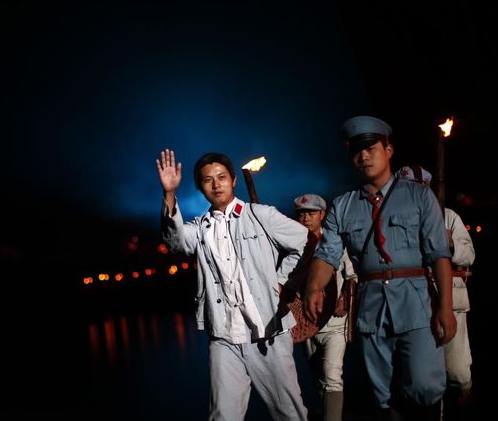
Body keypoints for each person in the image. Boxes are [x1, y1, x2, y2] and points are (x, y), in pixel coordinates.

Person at [302, 115, 457, 421]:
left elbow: (440, 255)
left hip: (417, 304)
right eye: (356, 151)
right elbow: (328, 254)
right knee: (382, 395)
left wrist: (446, 307)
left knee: (425, 384)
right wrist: (313, 287)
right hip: (372, 307)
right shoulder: (343, 206)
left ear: (389, 150)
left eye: (371, 148)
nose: (363, 156)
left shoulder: (419, 196)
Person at [156, 148, 310, 421]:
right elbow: (175, 242)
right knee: (222, 416)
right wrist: (169, 193)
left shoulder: (261, 215)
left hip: (268, 333)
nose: (216, 184)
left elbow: (306, 242)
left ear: (234, 180)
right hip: (224, 337)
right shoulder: (200, 227)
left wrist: (282, 281)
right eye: (207, 180)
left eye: (222, 177)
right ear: (200, 187)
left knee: (289, 414)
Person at [396, 165, 476, 420]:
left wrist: (450, 243)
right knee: (423, 374)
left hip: (450, 300)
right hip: (414, 302)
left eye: (417, 187)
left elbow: (469, 255)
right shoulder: (392, 217)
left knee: (457, 372)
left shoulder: (448, 216)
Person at [294, 193, 357, 421]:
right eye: (301, 213)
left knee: (332, 375)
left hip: (335, 322)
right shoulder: (292, 245)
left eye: (311, 213)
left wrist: (344, 300)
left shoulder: (336, 241)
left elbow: (352, 276)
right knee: (318, 377)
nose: (306, 218)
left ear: (322, 214)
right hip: (306, 321)